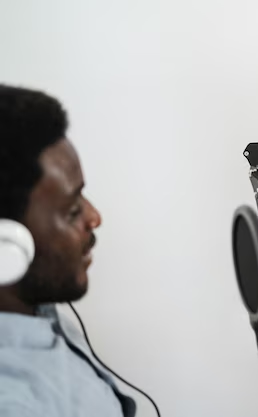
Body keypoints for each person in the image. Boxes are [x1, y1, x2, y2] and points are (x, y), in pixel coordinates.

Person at [0, 84, 137, 416]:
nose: (94, 217)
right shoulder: (18, 403)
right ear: (7, 248)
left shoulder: (34, 308)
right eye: (72, 211)